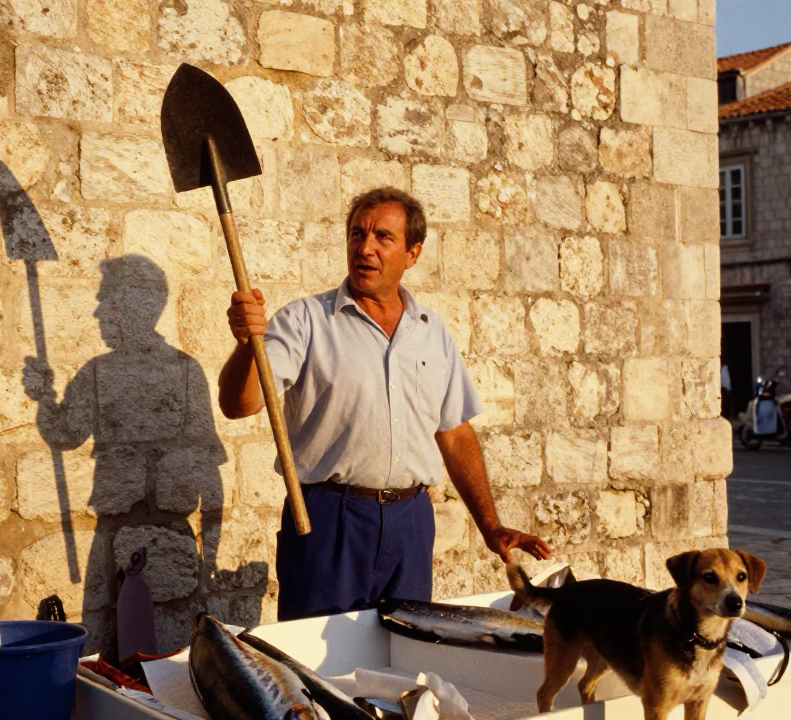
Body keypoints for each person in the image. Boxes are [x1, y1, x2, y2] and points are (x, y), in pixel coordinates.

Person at [218, 187, 553, 621]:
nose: (366, 247)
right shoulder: (305, 321)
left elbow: (453, 433)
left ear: (412, 254)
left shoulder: (432, 332)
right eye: (357, 234)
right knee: (318, 666)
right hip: (326, 519)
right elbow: (239, 404)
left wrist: (491, 525)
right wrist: (248, 344)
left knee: (406, 653)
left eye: (383, 237)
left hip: (411, 523)